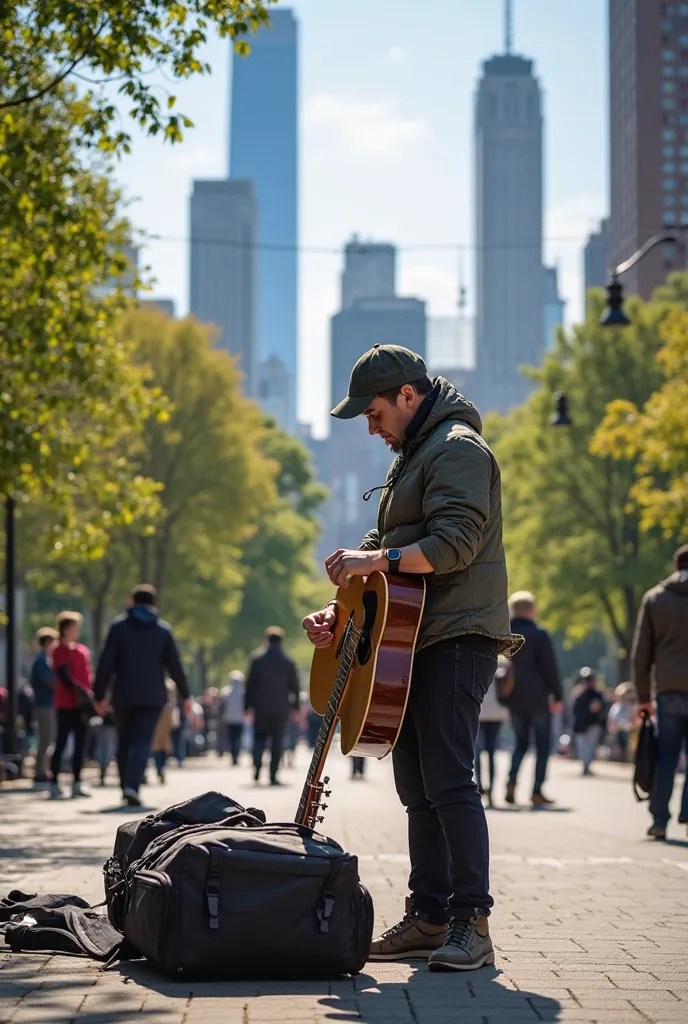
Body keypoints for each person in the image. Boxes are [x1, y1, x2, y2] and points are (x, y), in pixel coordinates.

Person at [301, 345, 520, 972]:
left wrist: (378, 561)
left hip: (457, 633)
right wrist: (337, 610)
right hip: (415, 636)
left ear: (407, 396)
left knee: (449, 782)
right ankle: (428, 918)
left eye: (373, 414)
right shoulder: (415, 454)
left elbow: (453, 544)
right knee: (416, 787)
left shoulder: (456, 448)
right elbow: (387, 546)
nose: (371, 429)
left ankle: (470, 923)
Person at [94, 584, 190, 808]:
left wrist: (99, 694)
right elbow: (176, 667)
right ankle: (132, 786)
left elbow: (105, 663)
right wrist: (186, 696)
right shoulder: (162, 631)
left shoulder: (118, 628)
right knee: (142, 740)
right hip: (152, 696)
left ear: (131, 602)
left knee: (124, 740)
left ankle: (125, 786)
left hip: (123, 694)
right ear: (153, 604)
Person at [632, 544, 688, 840]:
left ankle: (659, 820)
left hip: (667, 689)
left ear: (675, 565)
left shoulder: (656, 598)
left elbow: (642, 653)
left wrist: (643, 698)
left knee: (666, 756)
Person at [505, 591, 563, 808]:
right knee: (542, 744)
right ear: (531, 610)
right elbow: (550, 667)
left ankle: (511, 782)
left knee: (520, 743)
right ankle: (537, 790)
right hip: (538, 697)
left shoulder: (505, 634)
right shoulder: (539, 634)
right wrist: (558, 694)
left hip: (513, 696)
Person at [245, 627, 300, 786]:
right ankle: (273, 775)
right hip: (280, 709)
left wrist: (247, 706)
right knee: (277, 742)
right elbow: (294, 687)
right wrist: (295, 708)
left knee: (259, 740)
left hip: (261, 708)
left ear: (267, 640)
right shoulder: (287, 662)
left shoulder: (257, 659)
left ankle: (256, 768)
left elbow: (250, 685)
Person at [49, 612, 94, 799]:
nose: (77, 630)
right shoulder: (59, 650)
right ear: (66, 629)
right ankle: (53, 782)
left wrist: (89, 696)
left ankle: (77, 781)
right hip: (65, 704)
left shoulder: (83, 651)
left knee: (80, 744)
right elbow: (64, 676)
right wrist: (80, 691)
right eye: (74, 626)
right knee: (61, 742)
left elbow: (87, 676)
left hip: (81, 705)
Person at [475, 658, 510, 806]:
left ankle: (480, 788)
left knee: (477, 752)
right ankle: (491, 792)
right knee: (491, 752)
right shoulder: (503, 662)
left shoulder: (475, 656)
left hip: (479, 711)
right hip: (497, 712)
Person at [29, 628, 59, 788]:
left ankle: (42, 770)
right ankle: (40, 771)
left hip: (45, 704)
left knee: (47, 738)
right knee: (46, 738)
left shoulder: (42, 660)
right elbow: (52, 681)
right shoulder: (42, 661)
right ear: (48, 643)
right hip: (45, 704)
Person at [571, 667, 607, 775]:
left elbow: (601, 709)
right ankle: (584, 766)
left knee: (591, 747)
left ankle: (587, 766)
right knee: (583, 748)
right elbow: (573, 711)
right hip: (580, 725)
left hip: (593, 725)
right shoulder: (578, 695)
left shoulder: (597, 695)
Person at [151, 679, 179, 783]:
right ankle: (162, 768)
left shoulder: (154, 707)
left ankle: (159, 769)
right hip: (165, 735)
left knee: (157, 752)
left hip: (156, 734)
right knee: (163, 753)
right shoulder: (168, 708)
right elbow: (172, 724)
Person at [219, 670, 246, 765]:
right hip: (240, 719)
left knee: (231, 738)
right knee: (238, 738)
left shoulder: (225, 692)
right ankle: (236, 755)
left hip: (229, 719)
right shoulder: (243, 692)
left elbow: (222, 706)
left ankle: (233, 755)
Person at [607, 683, 636, 762]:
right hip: (618, 730)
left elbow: (634, 719)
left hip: (630, 730)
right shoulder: (615, 707)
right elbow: (611, 720)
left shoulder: (632, 707)